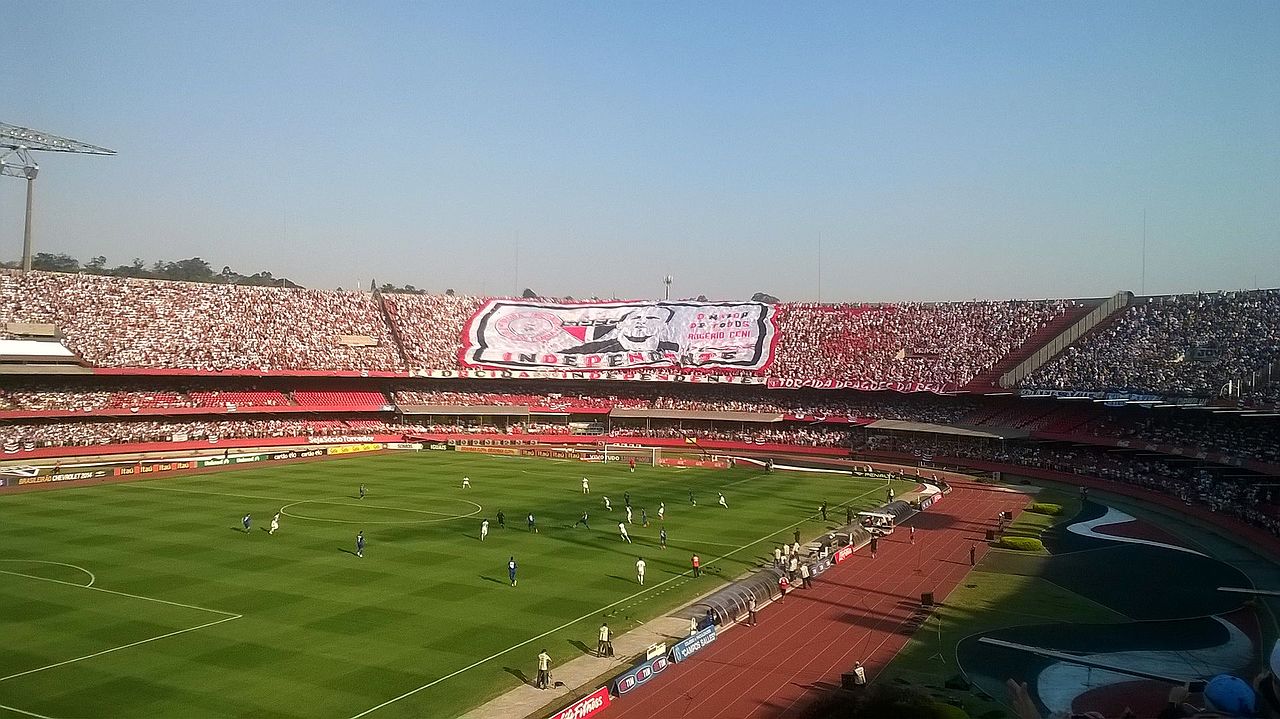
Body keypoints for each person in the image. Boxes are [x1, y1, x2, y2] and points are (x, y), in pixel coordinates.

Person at [560, 305, 678, 354]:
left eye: (652, 318)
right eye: (635, 318)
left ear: (664, 326)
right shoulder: (594, 349)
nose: (641, 322)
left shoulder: (674, 349)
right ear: (620, 324)